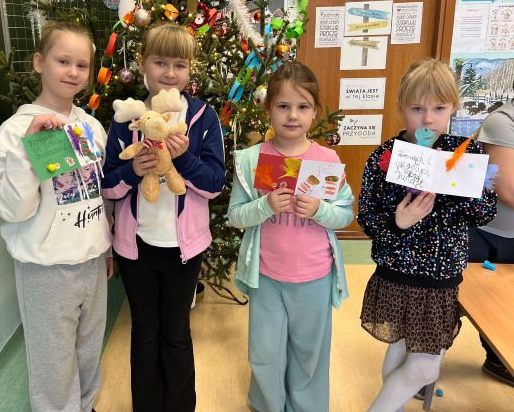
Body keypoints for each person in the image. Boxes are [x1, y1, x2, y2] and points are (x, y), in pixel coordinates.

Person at [358, 58, 497, 412]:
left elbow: (485, 213)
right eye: (417, 109)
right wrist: (397, 222)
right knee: (406, 354)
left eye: (439, 108)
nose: (428, 119)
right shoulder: (384, 157)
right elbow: (367, 218)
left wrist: (463, 189)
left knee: (421, 364)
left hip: (440, 278)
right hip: (397, 273)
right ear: (401, 107)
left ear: (453, 107)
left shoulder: (465, 154)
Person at [0, 21, 113, 412]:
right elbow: (12, 208)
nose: (73, 72)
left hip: (92, 260)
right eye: (63, 61)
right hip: (46, 268)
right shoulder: (15, 131)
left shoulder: (91, 127)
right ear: (40, 62)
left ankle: (86, 405)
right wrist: (28, 150)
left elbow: (102, 192)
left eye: (82, 65)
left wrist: (107, 247)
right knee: (53, 360)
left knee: (89, 348)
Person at [101, 23, 225, 412]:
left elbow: (215, 184)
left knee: (176, 333)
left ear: (190, 70)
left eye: (180, 65)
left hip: (184, 250)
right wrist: (131, 171)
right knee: (144, 334)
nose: (170, 73)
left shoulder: (203, 117)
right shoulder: (126, 117)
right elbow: (107, 185)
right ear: (142, 64)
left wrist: (184, 159)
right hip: (136, 249)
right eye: (160, 62)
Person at [228, 61, 354, 412]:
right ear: (269, 109)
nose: (293, 115)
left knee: (310, 351)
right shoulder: (251, 159)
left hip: (314, 277)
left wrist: (319, 210)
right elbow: (235, 215)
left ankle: (306, 406)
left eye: (303, 106)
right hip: (266, 276)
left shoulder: (327, 159)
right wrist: (265, 205)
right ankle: (268, 404)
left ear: (315, 111)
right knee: (265, 351)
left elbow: (345, 214)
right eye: (283, 106)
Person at [468, 94, 514, 387]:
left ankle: (497, 360)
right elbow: (507, 188)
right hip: (484, 232)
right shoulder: (502, 122)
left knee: (504, 307)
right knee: (460, 300)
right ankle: (424, 360)